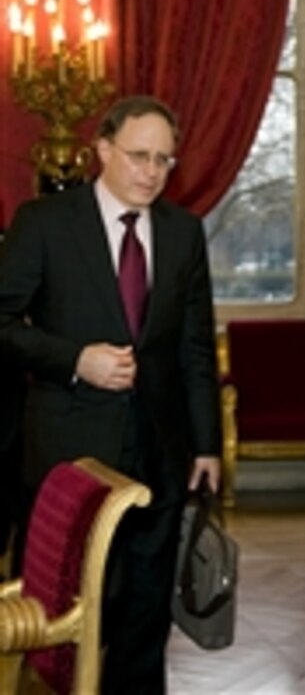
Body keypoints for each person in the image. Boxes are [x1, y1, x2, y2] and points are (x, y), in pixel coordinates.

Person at [0, 95, 221, 693]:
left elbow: (194, 347)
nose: (152, 171)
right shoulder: (44, 223)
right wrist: (75, 360)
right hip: (68, 453)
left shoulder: (183, 232)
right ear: (102, 149)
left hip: (159, 447)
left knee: (146, 602)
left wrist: (206, 445)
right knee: (57, 606)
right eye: (139, 156)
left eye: (165, 160)